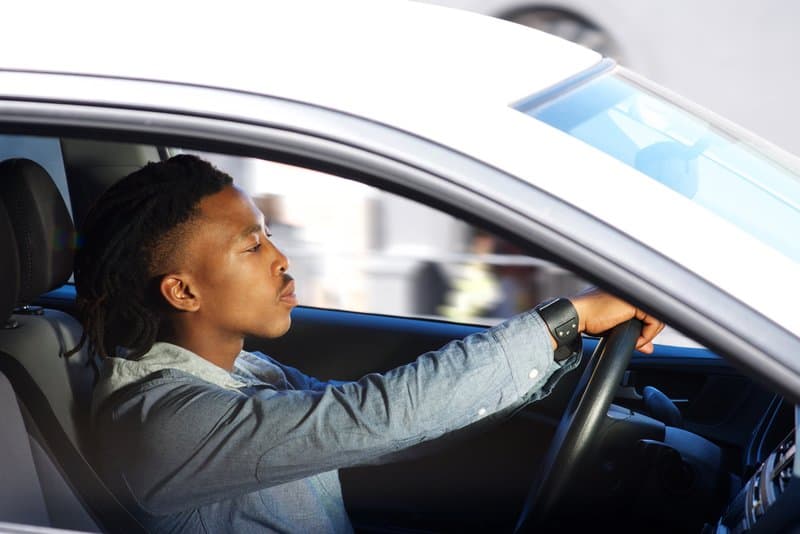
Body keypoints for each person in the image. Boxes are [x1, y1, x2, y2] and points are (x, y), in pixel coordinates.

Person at [73, 155, 664, 533]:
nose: (281, 260)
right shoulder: (165, 421)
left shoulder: (241, 371)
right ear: (182, 291)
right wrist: (568, 318)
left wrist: (555, 361)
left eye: (269, 237)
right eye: (251, 247)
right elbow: (375, 418)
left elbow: (385, 432)